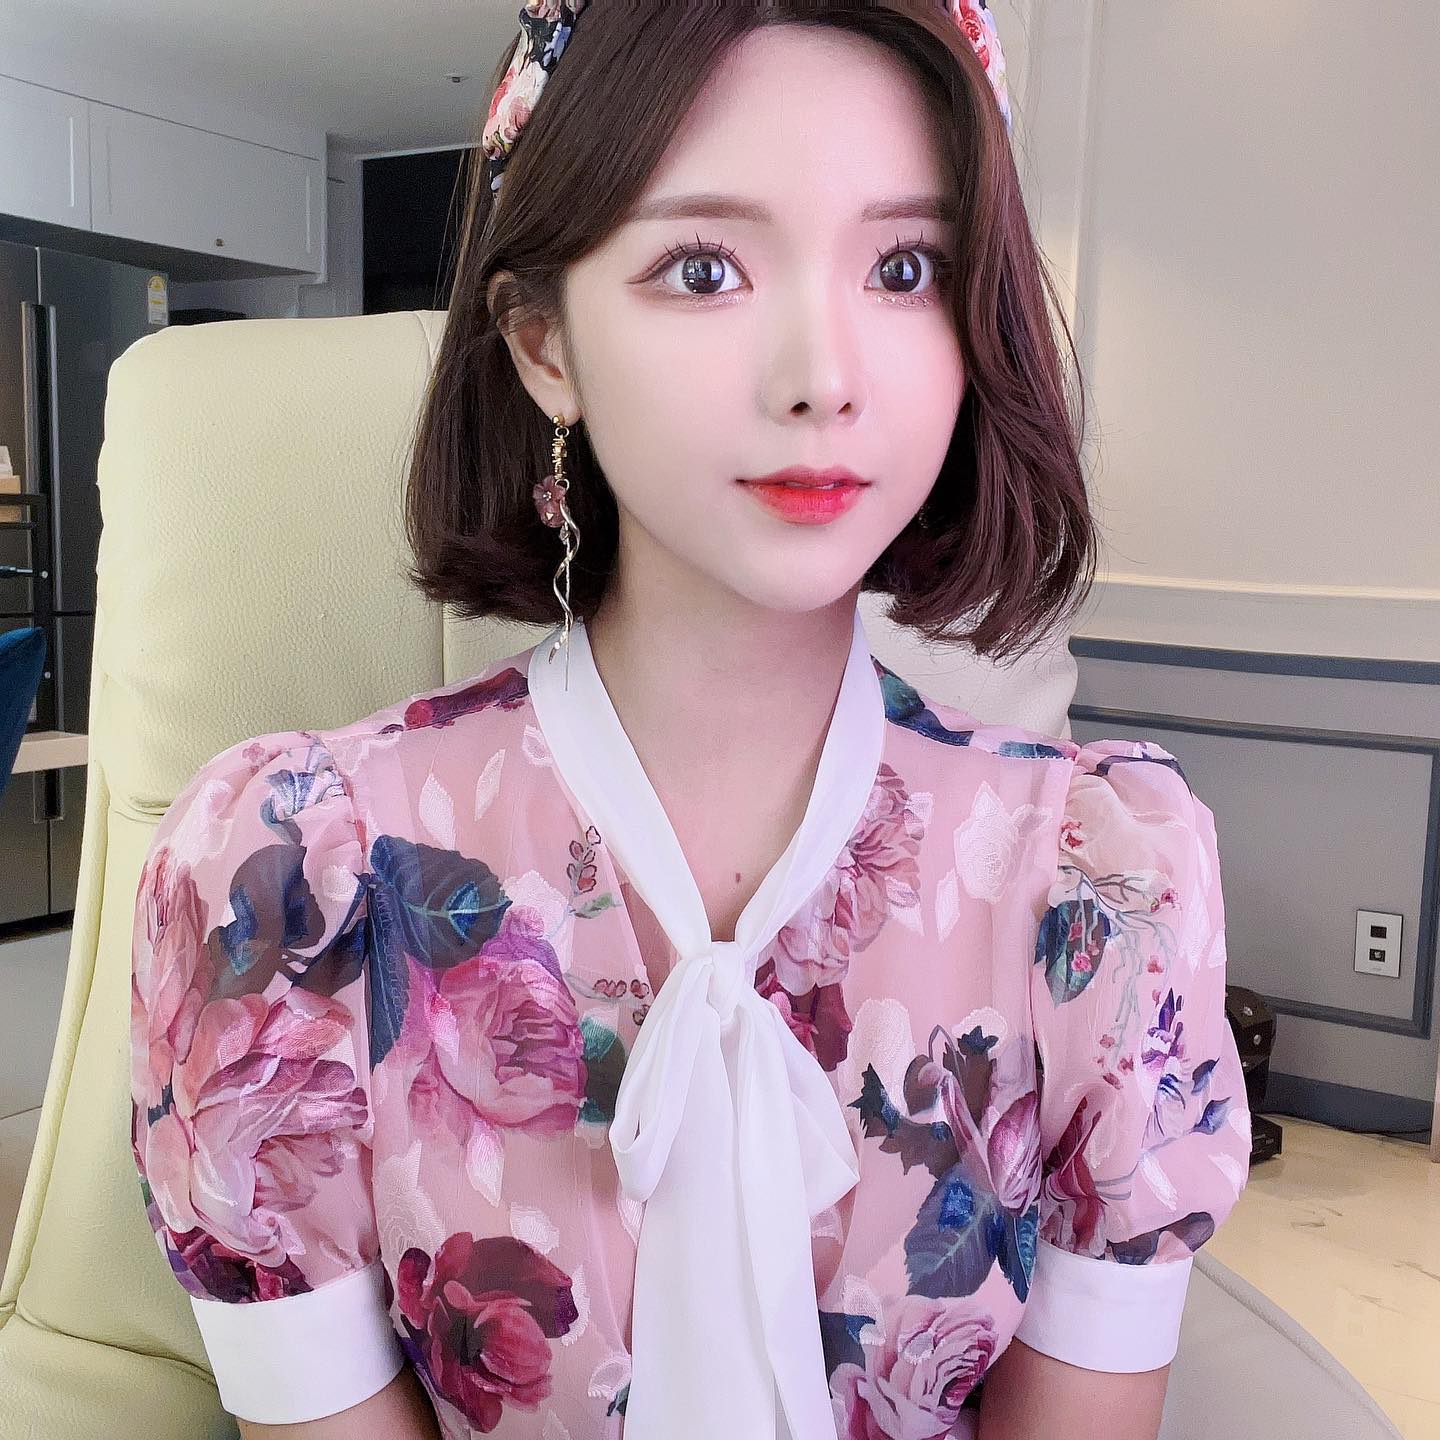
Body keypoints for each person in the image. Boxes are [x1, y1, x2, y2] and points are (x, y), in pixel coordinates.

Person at [128, 4, 1253, 1438]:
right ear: (544, 342)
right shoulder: (295, 889)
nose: (823, 375)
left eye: (905, 269)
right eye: (705, 268)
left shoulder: (1101, 892)